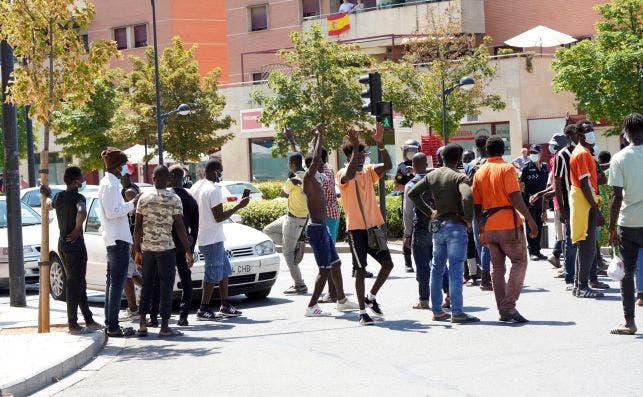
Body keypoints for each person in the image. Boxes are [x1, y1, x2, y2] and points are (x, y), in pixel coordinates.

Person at [409, 144, 479, 323]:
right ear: (458, 158)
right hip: (456, 226)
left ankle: (437, 311)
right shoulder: (459, 177)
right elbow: (467, 197)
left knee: (436, 268)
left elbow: (413, 193)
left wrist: (429, 211)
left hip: (438, 225)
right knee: (455, 268)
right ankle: (457, 312)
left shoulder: (433, 175)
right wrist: (468, 219)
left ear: (442, 158)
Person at [472, 137, 538, 323]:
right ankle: (508, 307)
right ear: (504, 149)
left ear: (486, 150)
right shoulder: (507, 168)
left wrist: (481, 229)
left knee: (497, 269)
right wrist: (531, 221)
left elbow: (476, 205)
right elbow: (515, 197)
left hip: (489, 226)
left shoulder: (480, 172)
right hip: (508, 225)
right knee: (519, 261)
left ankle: (503, 308)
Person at [337, 123, 393, 326]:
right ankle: (362, 312)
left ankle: (371, 297)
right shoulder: (342, 174)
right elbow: (349, 175)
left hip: (373, 228)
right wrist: (353, 146)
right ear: (349, 157)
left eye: (362, 155)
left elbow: (387, 165)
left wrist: (381, 144)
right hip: (356, 230)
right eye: (356, 155)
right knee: (360, 271)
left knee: (388, 264)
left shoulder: (369, 171)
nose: (361, 158)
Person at [302, 124, 358, 317]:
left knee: (335, 263)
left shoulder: (319, 176)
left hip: (323, 228)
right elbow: (316, 158)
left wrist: (317, 137)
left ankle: (341, 300)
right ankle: (311, 306)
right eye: (316, 163)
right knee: (324, 268)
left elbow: (318, 159)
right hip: (316, 229)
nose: (320, 163)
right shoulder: (308, 180)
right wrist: (319, 135)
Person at [134, 166, 193, 338]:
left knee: (147, 285)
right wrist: (187, 250)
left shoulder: (143, 198)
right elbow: (180, 226)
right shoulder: (174, 199)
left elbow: (137, 226)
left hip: (148, 249)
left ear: (153, 178)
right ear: (168, 179)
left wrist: (137, 249)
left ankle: (143, 323)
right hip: (166, 248)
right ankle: (165, 327)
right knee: (166, 286)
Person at [41, 167, 101, 334]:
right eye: (81, 177)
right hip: (75, 245)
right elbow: (82, 211)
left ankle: (88, 319)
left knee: (78, 282)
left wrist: (47, 194)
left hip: (63, 244)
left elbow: (49, 205)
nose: (82, 180)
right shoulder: (78, 197)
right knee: (74, 284)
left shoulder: (59, 196)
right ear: (76, 181)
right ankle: (73, 324)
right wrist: (76, 230)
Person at [191, 160, 249, 320]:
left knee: (224, 270)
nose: (221, 175)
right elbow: (219, 217)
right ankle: (203, 309)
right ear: (214, 172)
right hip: (212, 238)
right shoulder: (214, 190)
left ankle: (225, 304)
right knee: (212, 274)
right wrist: (239, 206)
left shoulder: (196, 187)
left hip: (206, 236)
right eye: (220, 172)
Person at [608, 112, 643, 335]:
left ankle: (629, 323)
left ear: (626, 133)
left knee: (626, 273)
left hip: (628, 223)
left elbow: (616, 197)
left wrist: (611, 227)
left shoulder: (619, 158)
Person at [98, 147, 138, 337]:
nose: (125, 169)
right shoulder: (110, 184)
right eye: (123, 165)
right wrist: (133, 204)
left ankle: (110, 323)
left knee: (112, 282)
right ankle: (113, 326)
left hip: (115, 238)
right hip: (117, 239)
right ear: (116, 166)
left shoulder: (109, 183)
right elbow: (112, 211)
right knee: (116, 282)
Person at [568, 120, 604, 298]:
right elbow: (584, 183)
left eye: (592, 130)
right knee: (588, 248)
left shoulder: (584, 152)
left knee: (584, 246)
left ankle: (578, 285)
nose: (591, 133)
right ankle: (582, 286)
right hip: (585, 203)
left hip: (585, 202)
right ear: (580, 136)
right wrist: (595, 210)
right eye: (588, 131)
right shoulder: (582, 153)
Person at [169, 165, 199, 326]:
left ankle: (157, 316)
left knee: (163, 281)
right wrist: (191, 251)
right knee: (186, 282)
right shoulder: (190, 199)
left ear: (172, 176)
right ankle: (183, 316)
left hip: (166, 246)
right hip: (183, 246)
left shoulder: (166, 197)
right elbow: (194, 229)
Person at [403, 153, 433, 309]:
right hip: (437, 226)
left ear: (413, 166)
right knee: (438, 262)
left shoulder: (410, 184)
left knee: (422, 265)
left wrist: (407, 234)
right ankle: (448, 294)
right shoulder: (434, 180)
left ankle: (424, 300)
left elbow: (407, 212)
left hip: (420, 227)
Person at [317, 148, 343, 304]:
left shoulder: (324, 172)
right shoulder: (326, 168)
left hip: (329, 216)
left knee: (329, 255)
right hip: (330, 214)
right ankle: (332, 293)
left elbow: (322, 186)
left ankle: (333, 293)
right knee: (328, 254)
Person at [120, 168, 143, 320]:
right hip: (131, 238)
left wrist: (135, 244)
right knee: (133, 273)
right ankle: (154, 294)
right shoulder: (131, 188)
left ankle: (133, 308)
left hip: (131, 239)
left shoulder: (129, 192)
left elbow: (136, 218)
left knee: (126, 275)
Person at [470, 135, 492, 290]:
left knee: (480, 241)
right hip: (488, 207)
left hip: (474, 207)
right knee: (487, 244)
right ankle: (486, 275)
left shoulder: (471, 165)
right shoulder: (489, 164)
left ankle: (484, 271)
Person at [520, 144, 549, 261]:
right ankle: (532, 250)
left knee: (540, 224)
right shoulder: (527, 167)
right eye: (531, 152)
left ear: (541, 153)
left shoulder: (544, 167)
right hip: (530, 201)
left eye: (535, 152)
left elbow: (547, 184)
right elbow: (521, 184)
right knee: (531, 225)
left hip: (542, 201)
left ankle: (537, 250)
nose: (533, 155)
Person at [396, 139, 420, 273]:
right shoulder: (402, 167)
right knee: (408, 231)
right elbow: (396, 186)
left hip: (421, 204)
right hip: (408, 203)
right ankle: (407, 262)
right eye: (408, 150)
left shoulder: (422, 164)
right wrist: (410, 187)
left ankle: (421, 260)